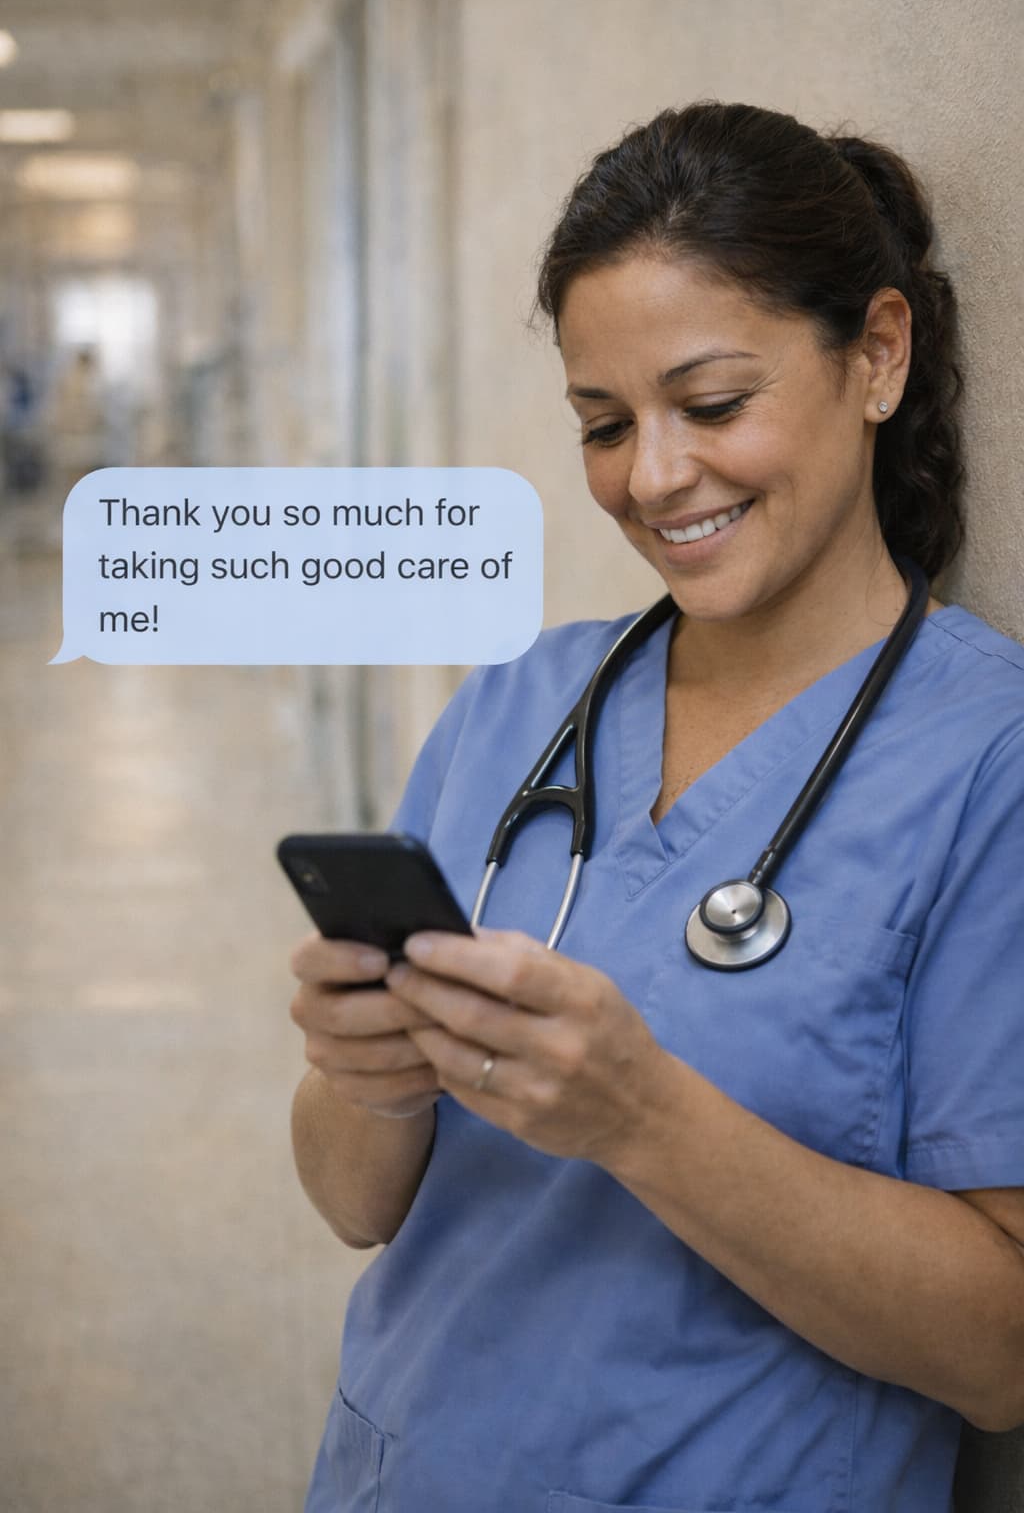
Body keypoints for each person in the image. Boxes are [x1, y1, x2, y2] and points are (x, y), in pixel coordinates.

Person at [288, 102, 1024, 1512]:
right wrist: (357, 1076)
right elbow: (355, 1201)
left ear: (879, 354)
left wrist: (642, 1118)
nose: (654, 476)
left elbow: (1001, 1356)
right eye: (605, 424)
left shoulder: (988, 762)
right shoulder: (521, 704)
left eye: (715, 404)